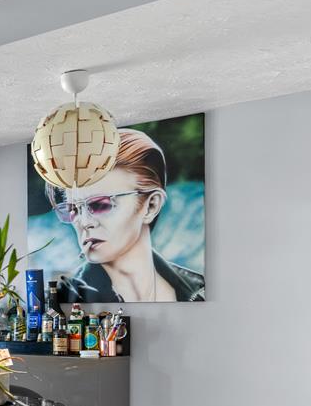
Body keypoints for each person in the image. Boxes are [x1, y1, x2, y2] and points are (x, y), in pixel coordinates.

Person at [53, 129, 204, 303]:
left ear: (151, 206)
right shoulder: (63, 298)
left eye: (100, 204)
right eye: (74, 209)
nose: (84, 222)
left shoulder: (196, 290)